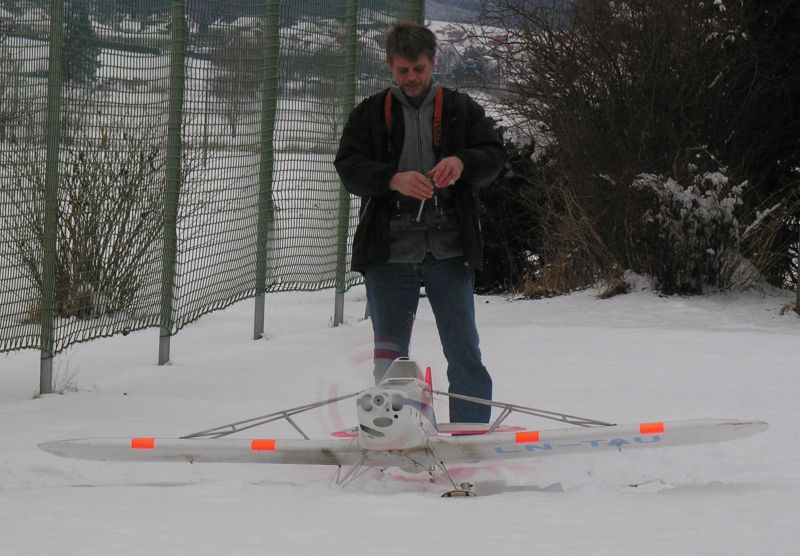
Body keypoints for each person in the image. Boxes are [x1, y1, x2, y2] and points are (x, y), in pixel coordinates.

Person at [334, 21, 506, 424]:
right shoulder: (369, 114)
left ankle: (469, 435)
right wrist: (391, 179)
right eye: (403, 70)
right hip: (389, 254)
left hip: (451, 251)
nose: (412, 78)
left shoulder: (462, 110)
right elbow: (348, 167)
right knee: (389, 359)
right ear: (390, 66)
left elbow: (494, 155)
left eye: (419, 69)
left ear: (433, 63)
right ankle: (392, 435)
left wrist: (462, 162)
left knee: (464, 353)